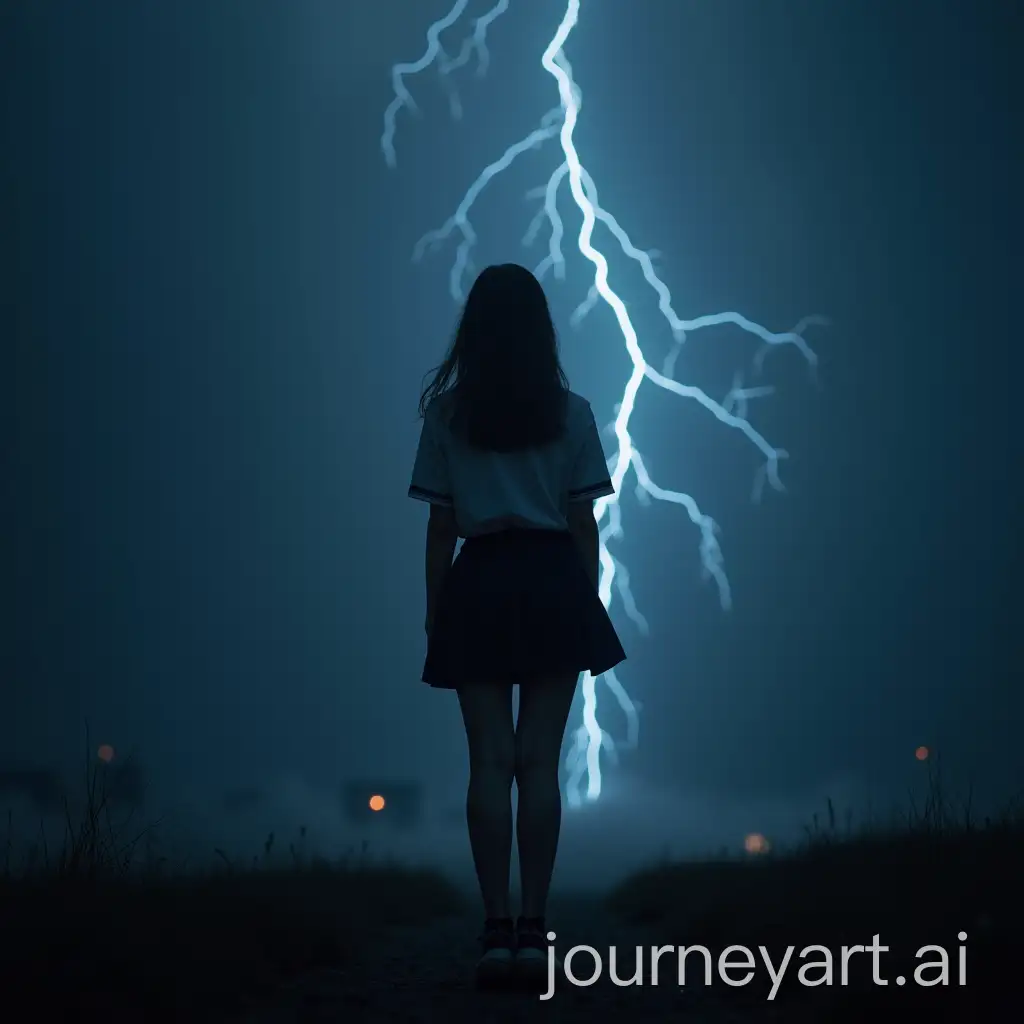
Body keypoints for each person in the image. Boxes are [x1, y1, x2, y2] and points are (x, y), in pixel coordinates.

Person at [407, 263, 626, 987]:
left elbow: (441, 527)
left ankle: (494, 928)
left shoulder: (446, 416)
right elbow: (582, 521)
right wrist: (581, 602)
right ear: (541, 332)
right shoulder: (574, 413)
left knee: (488, 763)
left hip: (479, 582)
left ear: (473, 331)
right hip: (553, 582)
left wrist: (438, 609)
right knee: (539, 763)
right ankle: (535, 928)